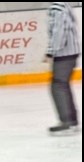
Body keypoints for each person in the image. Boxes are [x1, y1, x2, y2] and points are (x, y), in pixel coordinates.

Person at [45, 2, 81, 134]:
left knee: (58, 85)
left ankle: (67, 122)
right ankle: (72, 121)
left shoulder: (57, 7)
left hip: (64, 53)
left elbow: (58, 31)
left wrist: (51, 51)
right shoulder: (64, 4)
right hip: (70, 51)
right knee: (62, 85)